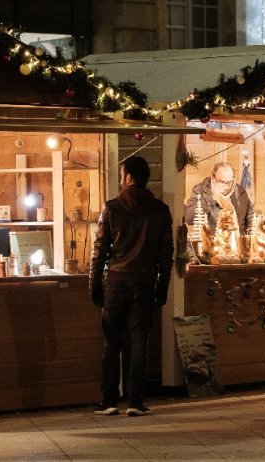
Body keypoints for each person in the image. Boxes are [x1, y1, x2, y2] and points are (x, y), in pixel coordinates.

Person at [90, 155, 173, 417]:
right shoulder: (160, 210)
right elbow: (166, 255)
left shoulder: (112, 208)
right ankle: (135, 401)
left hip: (115, 282)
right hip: (144, 283)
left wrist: (94, 284)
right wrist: (163, 287)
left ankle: (109, 401)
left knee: (111, 344)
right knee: (139, 343)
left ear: (128, 177)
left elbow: (99, 251)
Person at [184, 161, 254, 242]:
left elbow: (250, 217)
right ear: (213, 178)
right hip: (212, 244)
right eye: (223, 182)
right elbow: (189, 218)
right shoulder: (200, 191)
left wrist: (249, 239)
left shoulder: (240, 192)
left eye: (230, 182)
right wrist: (211, 197)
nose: (227, 186)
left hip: (237, 243)